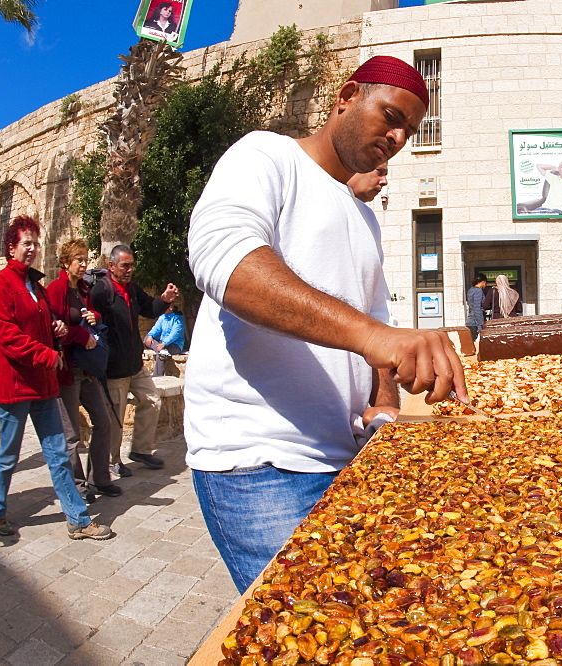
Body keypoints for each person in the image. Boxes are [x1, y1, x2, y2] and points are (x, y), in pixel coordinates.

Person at [186, 55, 467, 593]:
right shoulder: (265, 155)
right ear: (346, 96)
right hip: (258, 464)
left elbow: (377, 323)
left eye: (408, 129)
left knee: (361, 624)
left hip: (342, 456)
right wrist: (373, 336)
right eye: (390, 115)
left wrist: (384, 407)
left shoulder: (363, 217)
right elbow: (227, 262)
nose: (398, 136)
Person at [0, 216, 113, 540]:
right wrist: (46, 354)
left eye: (35, 244)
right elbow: (6, 336)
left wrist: (56, 329)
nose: (32, 249)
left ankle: (79, 520)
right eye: (26, 243)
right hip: (14, 386)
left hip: (43, 385)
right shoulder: (1, 285)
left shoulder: (35, 286)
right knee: (8, 454)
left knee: (57, 453)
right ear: (11, 247)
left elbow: (44, 323)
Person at [89, 245, 179, 478]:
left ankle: (140, 450)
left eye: (131, 265)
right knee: (115, 419)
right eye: (124, 265)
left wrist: (163, 300)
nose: (130, 270)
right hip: (114, 368)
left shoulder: (131, 289)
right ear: (111, 266)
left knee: (152, 400)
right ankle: (112, 461)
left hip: (134, 365)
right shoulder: (101, 291)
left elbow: (149, 308)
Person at [46, 238, 121, 502]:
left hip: (88, 369)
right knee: (71, 435)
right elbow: (53, 329)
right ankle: (78, 487)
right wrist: (79, 334)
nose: (84, 264)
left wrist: (95, 318)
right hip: (68, 370)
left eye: (86, 259)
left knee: (102, 422)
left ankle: (99, 479)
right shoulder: (55, 290)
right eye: (79, 260)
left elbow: (91, 316)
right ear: (66, 262)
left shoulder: (84, 290)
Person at [143, 303, 186, 376]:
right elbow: (156, 328)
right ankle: (162, 351)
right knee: (147, 338)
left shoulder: (178, 320)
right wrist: (150, 335)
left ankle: (157, 376)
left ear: (171, 308)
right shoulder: (162, 317)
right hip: (161, 344)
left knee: (161, 355)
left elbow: (174, 334)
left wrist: (164, 344)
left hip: (174, 345)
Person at [465, 273, 488, 340]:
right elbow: (477, 308)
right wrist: (480, 325)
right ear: (483, 282)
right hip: (475, 323)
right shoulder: (478, 291)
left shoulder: (470, 290)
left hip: (470, 321)